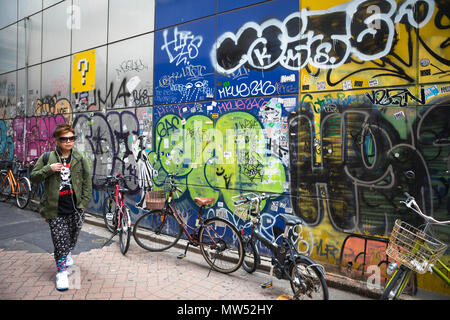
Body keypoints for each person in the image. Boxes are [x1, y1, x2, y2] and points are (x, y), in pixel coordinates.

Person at [30, 123, 92, 291]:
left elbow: (87, 180)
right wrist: (48, 169)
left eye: (72, 138)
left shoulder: (79, 158)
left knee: (72, 237)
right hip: (54, 208)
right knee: (59, 241)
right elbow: (34, 177)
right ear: (56, 140)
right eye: (64, 139)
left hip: (75, 207)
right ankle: (62, 273)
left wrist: (84, 203)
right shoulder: (47, 157)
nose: (68, 141)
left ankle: (66, 252)